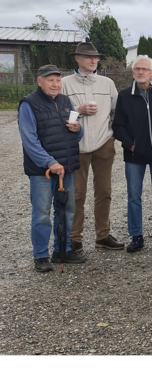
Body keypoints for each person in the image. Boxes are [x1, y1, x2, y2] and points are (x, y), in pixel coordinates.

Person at [19, 65, 86, 272]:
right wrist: (50, 162)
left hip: (66, 167)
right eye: (50, 80)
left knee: (66, 210)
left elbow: (77, 134)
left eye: (58, 80)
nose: (55, 84)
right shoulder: (29, 104)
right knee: (42, 212)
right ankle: (40, 256)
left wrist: (78, 129)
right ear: (39, 81)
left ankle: (62, 250)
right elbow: (29, 140)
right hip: (43, 171)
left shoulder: (66, 102)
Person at [61, 42, 123, 253]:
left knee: (104, 191)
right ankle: (74, 238)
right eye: (89, 57)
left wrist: (112, 134)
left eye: (96, 57)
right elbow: (58, 113)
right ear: (77, 58)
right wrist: (78, 110)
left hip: (104, 144)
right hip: (76, 146)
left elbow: (117, 111)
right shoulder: (64, 84)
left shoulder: (107, 83)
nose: (94, 60)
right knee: (76, 194)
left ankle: (103, 236)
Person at [112, 56, 152, 253]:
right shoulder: (124, 96)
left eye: (144, 69)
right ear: (133, 72)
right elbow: (118, 126)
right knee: (134, 195)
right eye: (137, 69)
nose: (140, 72)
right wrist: (130, 145)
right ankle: (136, 235)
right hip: (134, 154)